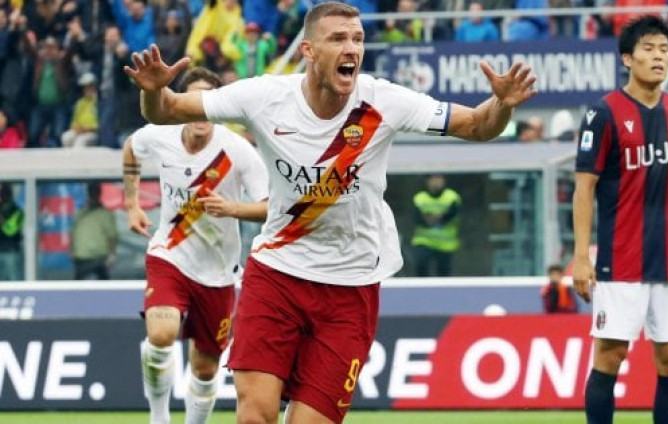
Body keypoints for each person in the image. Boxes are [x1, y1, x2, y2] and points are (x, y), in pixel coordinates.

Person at [123, 3, 537, 423]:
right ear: (308, 49)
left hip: (350, 286)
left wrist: (501, 105)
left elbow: (477, 125)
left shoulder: (384, 101)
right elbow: (166, 110)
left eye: (357, 39)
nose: (351, 48)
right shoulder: (264, 97)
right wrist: (153, 90)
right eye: (338, 38)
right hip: (277, 273)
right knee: (254, 416)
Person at [572, 16, 668, 424]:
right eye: (649, 49)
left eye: (664, 49)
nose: (658, 56)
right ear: (627, 58)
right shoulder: (603, 113)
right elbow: (584, 189)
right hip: (620, 259)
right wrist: (581, 257)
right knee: (611, 353)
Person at [122, 67, 269, 424]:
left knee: (205, 368)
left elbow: (272, 206)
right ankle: (159, 417)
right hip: (169, 255)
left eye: (208, 102)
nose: (201, 111)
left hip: (217, 272)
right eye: (194, 100)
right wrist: (132, 204)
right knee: (161, 334)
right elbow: (131, 149)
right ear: (182, 104)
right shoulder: (161, 134)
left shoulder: (238, 151)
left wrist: (232, 208)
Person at [411, 174, 461, 277]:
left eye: (438, 179)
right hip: (424, 241)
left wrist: (436, 218)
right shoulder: (420, 198)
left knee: (443, 273)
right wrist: (430, 220)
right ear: (428, 182)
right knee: (421, 266)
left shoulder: (452, 197)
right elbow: (416, 218)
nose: (436, 183)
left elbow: (452, 214)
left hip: (445, 244)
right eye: (433, 179)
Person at [70, 182, 118, 280]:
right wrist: (112, 254)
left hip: (95, 258)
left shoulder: (83, 213)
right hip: (85, 258)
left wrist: (111, 255)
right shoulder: (82, 213)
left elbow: (112, 237)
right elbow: (112, 237)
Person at [61, 72, 99, 148]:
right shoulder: (80, 102)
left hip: (92, 133)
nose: (87, 89)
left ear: (95, 87)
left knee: (80, 142)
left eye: (90, 86)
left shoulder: (99, 102)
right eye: (85, 87)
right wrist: (77, 129)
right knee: (66, 137)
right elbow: (74, 122)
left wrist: (86, 129)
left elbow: (97, 126)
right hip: (79, 131)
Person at [0, 182, 24, 281]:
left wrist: (2, 220)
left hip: (12, 252)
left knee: (14, 283)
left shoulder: (17, 211)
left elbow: (11, 231)